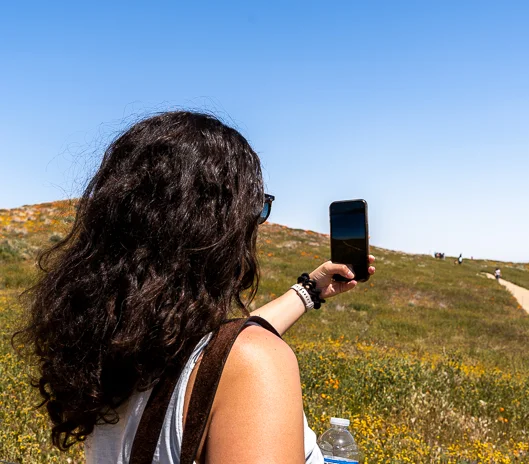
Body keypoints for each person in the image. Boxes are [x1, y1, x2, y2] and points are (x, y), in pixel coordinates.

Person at [15, 112, 376, 463]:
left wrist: (310, 291)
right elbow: (233, 352)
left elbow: (221, 348)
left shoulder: (114, 354)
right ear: (219, 228)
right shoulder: (254, 364)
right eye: (256, 207)